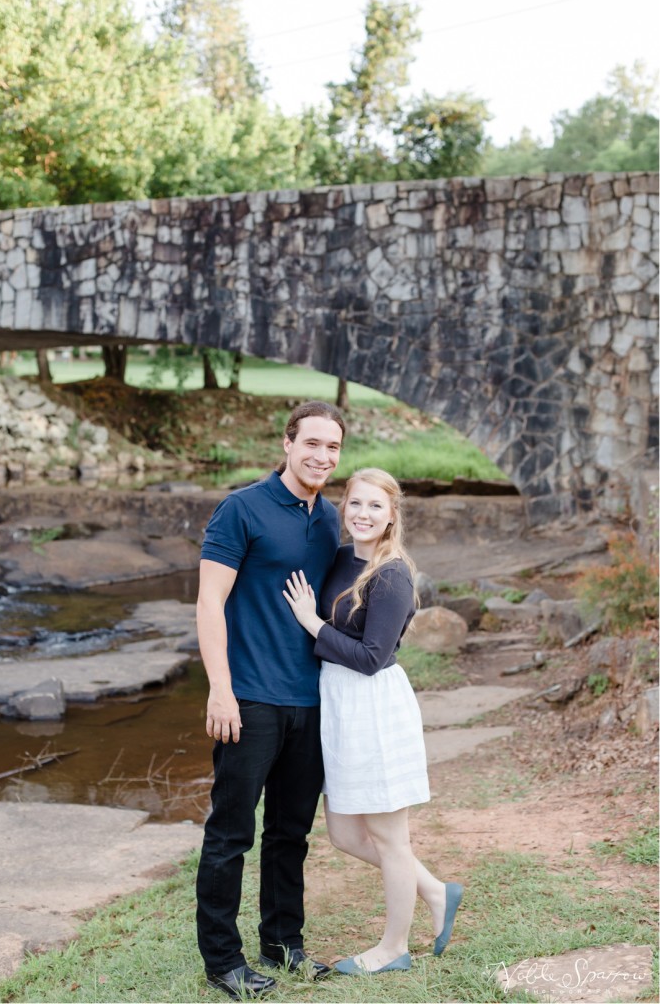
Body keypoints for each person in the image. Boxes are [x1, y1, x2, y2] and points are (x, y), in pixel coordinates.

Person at [283, 467, 463, 975]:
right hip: (338, 707)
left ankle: (394, 947)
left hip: (374, 708)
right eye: (355, 504)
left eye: (375, 507)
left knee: (390, 838)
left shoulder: (393, 575)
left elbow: (371, 657)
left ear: (391, 516)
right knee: (343, 833)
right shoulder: (340, 559)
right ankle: (434, 889)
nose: (363, 514)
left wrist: (311, 621)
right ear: (345, 508)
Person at [195, 400, 345, 1001]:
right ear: (287, 444)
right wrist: (220, 689)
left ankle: (284, 945)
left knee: (291, 833)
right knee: (232, 834)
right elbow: (209, 603)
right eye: (312, 443)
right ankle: (223, 961)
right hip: (250, 698)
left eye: (333, 448)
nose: (321, 456)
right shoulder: (241, 509)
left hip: (311, 700)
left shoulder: (332, 518)